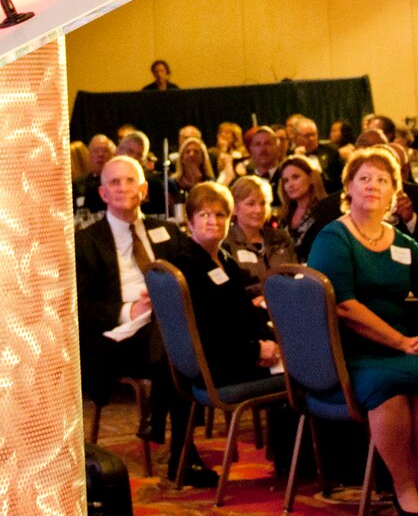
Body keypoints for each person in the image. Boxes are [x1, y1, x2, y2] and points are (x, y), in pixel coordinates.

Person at [306, 148, 418, 516]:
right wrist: (404, 343)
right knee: (388, 386)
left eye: (382, 180)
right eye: (364, 179)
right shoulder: (334, 237)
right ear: (349, 188)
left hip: (396, 350)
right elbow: (344, 307)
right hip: (348, 354)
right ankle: (404, 489)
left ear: (393, 192)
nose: (373, 186)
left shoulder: (402, 242)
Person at [156, 181, 280, 485]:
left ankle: (291, 459)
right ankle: (296, 464)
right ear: (189, 222)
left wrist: (270, 340)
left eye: (220, 215)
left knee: (291, 356)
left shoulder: (223, 259)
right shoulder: (187, 264)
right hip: (218, 365)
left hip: (228, 356)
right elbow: (210, 333)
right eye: (204, 215)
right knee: (301, 374)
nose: (214, 221)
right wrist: (256, 350)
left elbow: (243, 312)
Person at [75, 156, 185, 447]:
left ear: (144, 189)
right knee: (178, 341)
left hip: (163, 330)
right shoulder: (85, 242)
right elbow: (80, 308)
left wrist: (166, 296)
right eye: (115, 182)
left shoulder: (168, 232)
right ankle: (175, 441)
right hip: (116, 338)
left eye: (130, 180)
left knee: (175, 335)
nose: (123, 188)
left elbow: (190, 280)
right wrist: (128, 311)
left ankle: (167, 433)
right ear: (103, 193)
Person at [221, 175, 295, 291]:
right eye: (251, 204)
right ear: (234, 208)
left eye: (263, 203)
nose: (259, 210)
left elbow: (295, 276)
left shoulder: (281, 238)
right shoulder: (225, 243)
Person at [278, 154, 342, 257]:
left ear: (311, 178)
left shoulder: (325, 211)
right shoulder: (285, 214)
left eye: (295, 177)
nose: (290, 185)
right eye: (286, 181)